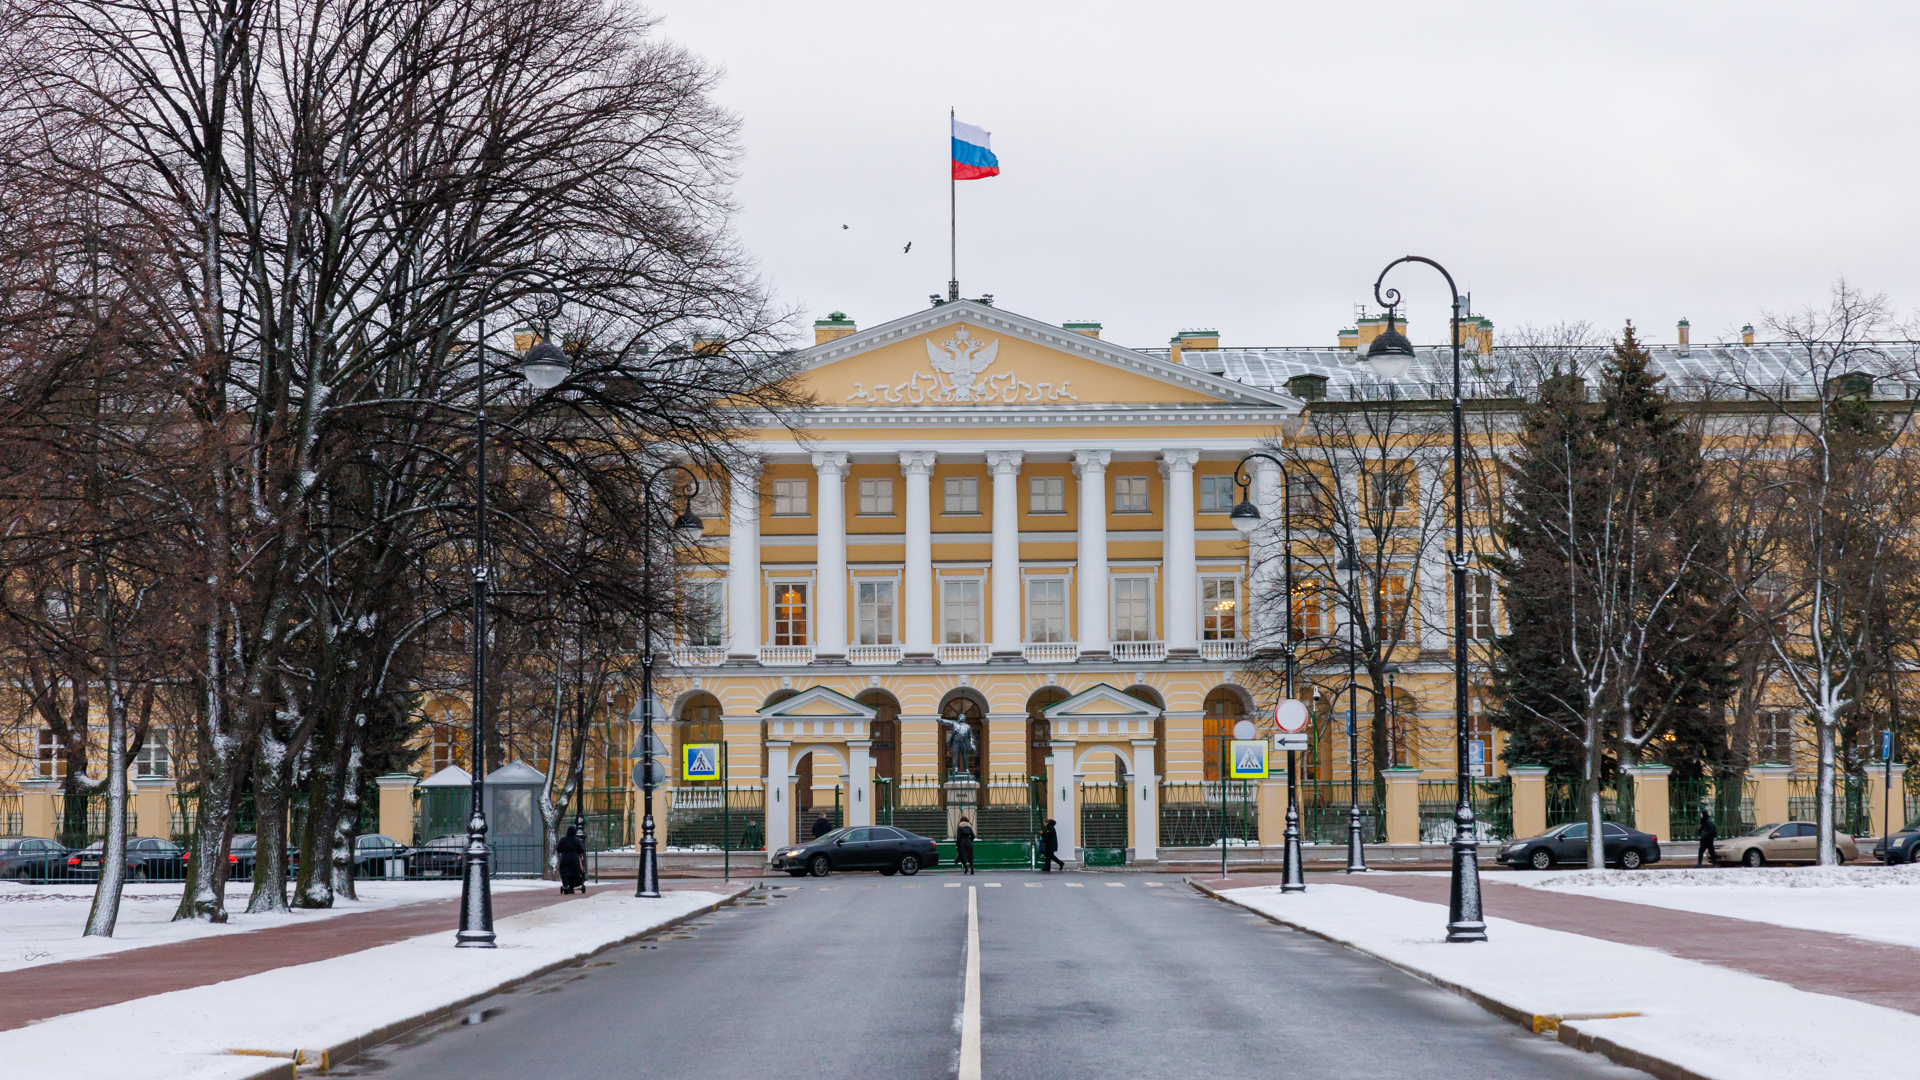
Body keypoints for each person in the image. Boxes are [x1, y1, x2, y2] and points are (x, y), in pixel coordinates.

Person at [556, 825, 587, 894]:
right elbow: (581, 850)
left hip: (564, 858)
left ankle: (565, 885)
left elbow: (558, 849)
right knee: (574, 873)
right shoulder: (577, 840)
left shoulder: (563, 839)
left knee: (565, 873)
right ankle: (571, 888)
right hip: (574, 859)